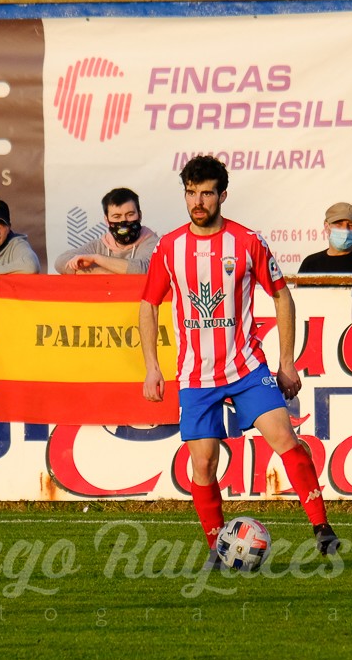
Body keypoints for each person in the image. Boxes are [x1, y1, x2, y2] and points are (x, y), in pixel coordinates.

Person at [139, 155, 340, 566]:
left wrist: (287, 361)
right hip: (196, 375)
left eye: (207, 193)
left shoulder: (247, 242)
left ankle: (321, 528)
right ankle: (217, 547)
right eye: (192, 193)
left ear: (222, 195)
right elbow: (147, 305)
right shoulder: (169, 247)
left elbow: (282, 295)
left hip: (246, 368)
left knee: (286, 440)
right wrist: (152, 366)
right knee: (204, 462)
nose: (199, 201)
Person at [55, 187, 159, 275]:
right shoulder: (99, 245)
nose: (124, 221)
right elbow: (61, 262)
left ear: (139, 216)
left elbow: (143, 270)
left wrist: (97, 259)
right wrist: (107, 273)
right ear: (107, 220)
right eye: (116, 216)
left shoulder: (154, 242)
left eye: (130, 214)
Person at [298, 202, 352, 273]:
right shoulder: (311, 264)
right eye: (339, 224)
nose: (345, 229)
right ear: (327, 226)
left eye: (351, 225)